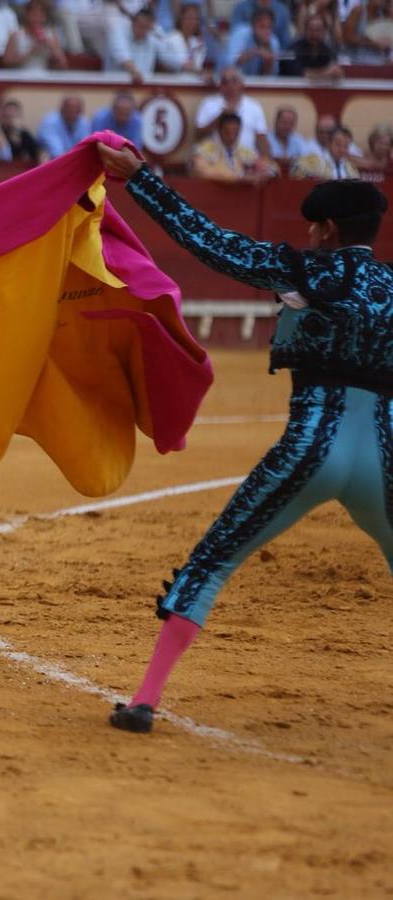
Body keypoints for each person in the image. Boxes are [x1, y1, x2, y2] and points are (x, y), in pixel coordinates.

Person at [99, 140, 393, 734]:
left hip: (311, 444)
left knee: (213, 561)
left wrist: (142, 180)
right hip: (385, 452)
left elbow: (211, 243)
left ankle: (144, 701)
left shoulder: (304, 269)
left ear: (327, 229)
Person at [194, 67, 269, 158]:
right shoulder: (208, 104)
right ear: (220, 86)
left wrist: (266, 161)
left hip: (247, 161)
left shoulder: (254, 106)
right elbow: (197, 136)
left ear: (242, 85)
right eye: (225, 82)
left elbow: (261, 139)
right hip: (215, 162)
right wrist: (220, 118)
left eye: (234, 81)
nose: (230, 86)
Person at [189, 111, 277, 183]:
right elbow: (201, 172)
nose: (232, 137)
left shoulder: (242, 150)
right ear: (219, 130)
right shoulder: (204, 149)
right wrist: (240, 177)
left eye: (236, 133)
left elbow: (272, 168)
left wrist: (265, 173)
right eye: (227, 133)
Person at [1, 0, 68, 69]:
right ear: (27, 14)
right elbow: (6, 63)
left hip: (44, 77)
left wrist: (50, 47)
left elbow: (62, 64)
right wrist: (30, 52)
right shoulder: (16, 35)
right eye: (34, 14)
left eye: (41, 14)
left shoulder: (50, 35)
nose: (37, 18)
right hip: (21, 77)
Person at [104, 8, 163, 80]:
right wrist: (134, 71)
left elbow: (172, 58)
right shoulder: (118, 28)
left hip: (143, 86)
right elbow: (122, 54)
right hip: (113, 85)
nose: (144, 31)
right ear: (133, 22)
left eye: (147, 28)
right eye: (141, 26)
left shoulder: (153, 35)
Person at [221, 7, 280, 75]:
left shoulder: (274, 42)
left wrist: (269, 62)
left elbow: (271, 78)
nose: (266, 32)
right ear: (252, 26)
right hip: (226, 79)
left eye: (269, 27)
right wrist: (255, 52)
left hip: (254, 83)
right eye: (262, 27)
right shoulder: (240, 33)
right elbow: (230, 63)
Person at [281, 11, 343, 76]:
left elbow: (337, 71)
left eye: (318, 30)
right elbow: (299, 73)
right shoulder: (293, 49)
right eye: (311, 29)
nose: (314, 34)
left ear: (324, 32)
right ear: (305, 31)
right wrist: (325, 72)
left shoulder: (328, 51)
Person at [291, 125, 360, 179]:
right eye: (338, 144)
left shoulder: (351, 168)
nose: (342, 149)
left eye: (346, 146)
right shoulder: (313, 162)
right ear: (329, 144)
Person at [159, 3, 211, 72]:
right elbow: (164, 61)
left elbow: (196, 67)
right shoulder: (170, 39)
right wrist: (182, 64)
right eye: (189, 18)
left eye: (196, 19)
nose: (192, 21)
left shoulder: (199, 44)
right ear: (181, 18)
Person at [0, 98, 44, 164]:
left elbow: (36, 150)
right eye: (7, 116)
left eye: (12, 115)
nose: (10, 119)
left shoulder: (24, 133)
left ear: (19, 116)